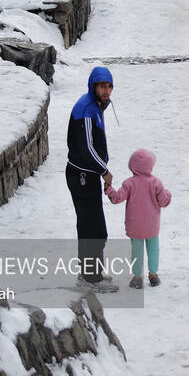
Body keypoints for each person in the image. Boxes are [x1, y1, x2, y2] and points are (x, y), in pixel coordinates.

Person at [66, 66, 119, 293]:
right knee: (92, 227)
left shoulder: (95, 105)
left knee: (93, 226)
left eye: (108, 86)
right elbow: (87, 148)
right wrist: (104, 171)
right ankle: (90, 279)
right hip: (82, 176)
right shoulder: (87, 109)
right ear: (93, 87)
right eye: (101, 86)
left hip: (87, 175)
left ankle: (90, 273)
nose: (106, 91)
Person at [105, 149, 172, 289]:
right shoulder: (156, 183)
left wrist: (109, 190)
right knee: (153, 249)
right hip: (151, 225)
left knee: (136, 251)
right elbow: (163, 202)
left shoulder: (129, 183)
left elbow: (117, 198)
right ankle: (153, 275)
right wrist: (168, 194)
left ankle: (137, 278)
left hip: (134, 225)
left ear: (132, 166)